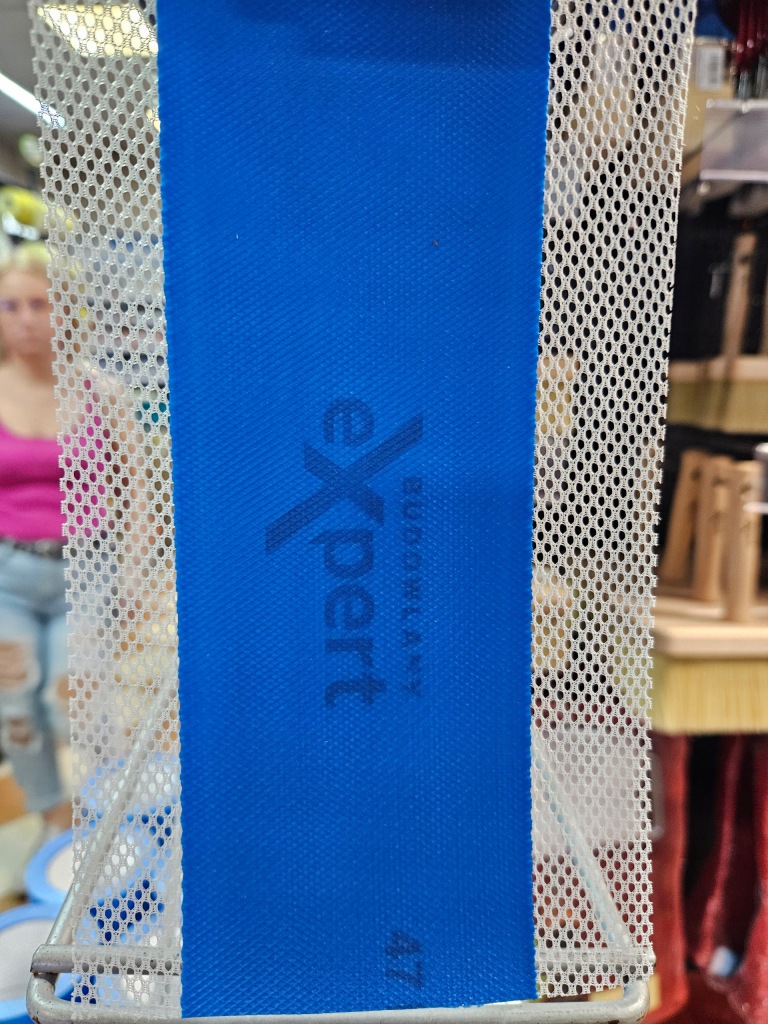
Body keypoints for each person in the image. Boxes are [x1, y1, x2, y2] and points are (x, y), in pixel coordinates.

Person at [0, 244, 71, 835]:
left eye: (39, 304)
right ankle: (54, 819)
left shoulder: (98, 392)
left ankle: (105, 811)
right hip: (8, 579)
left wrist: (132, 572)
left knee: (72, 701)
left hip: (86, 574)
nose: (25, 318)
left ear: (63, 308)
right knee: (17, 707)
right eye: (11, 305)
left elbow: (139, 489)